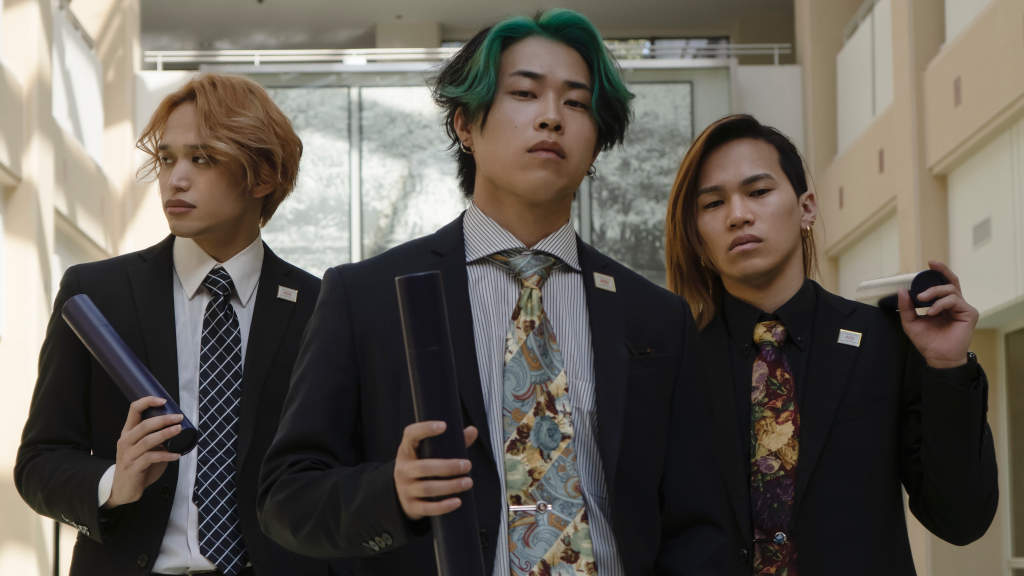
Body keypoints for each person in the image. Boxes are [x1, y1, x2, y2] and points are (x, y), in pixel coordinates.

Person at [259, 9, 725, 576]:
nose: (551, 117)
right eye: (524, 94)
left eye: (576, 103)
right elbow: (288, 497)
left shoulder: (654, 317)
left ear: (597, 143)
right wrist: (392, 494)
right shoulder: (366, 296)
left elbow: (697, 525)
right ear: (465, 125)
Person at [15, 74, 334, 576]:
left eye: (202, 159)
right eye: (166, 159)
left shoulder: (322, 308)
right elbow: (39, 462)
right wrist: (112, 483)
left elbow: (339, 475)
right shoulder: (95, 295)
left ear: (263, 176)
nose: (175, 180)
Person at [663, 113, 998, 575]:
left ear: (807, 208)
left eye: (758, 192)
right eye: (713, 203)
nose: (738, 215)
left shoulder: (883, 341)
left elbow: (961, 519)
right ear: (697, 235)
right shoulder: (670, 360)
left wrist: (948, 367)